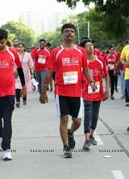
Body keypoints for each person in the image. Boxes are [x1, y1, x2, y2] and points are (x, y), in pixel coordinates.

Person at [39, 23, 96, 158]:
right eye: (66, 31)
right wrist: (44, 91)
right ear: (62, 34)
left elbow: (86, 69)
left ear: (75, 34)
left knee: (77, 121)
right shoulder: (56, 52)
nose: (69, 33)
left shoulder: (81, 51)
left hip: (76, 92)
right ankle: (66, 147)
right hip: (61, 92)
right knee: (63, 119)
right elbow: (49, 72)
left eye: (71, 31)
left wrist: (92, 81)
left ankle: (70, 132)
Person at [0, 28, 26, 161]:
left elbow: (19, 69)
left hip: (9, 93)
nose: (0, 45)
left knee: (7, 120)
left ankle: (7, 149)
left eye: (2, 42)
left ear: (6, 40)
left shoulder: (12, 53)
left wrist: (24, 85)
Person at [80, 39, 109, 150]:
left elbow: (106, 75)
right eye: (87, 46)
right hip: (86, 91)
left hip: (97, 91)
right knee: (88, 114)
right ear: (83, 49)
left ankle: (92, 135)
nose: (90, 48)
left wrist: (107, 90)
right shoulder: (82, 62)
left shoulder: (100, 60)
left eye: (91, 46)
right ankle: (86, 139)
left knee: (95, 115)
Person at [15, 43, 34, 107]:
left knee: (24, 87)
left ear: (24, 48)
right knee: (17, 87)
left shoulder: (28, 55)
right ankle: (17, 100)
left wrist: (32, 73)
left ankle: (24, 98)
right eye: (19, 47)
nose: (20, 48)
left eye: (22, 47)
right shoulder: (16, 55)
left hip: (26, 73)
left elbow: (31, 65)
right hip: (17, 73)